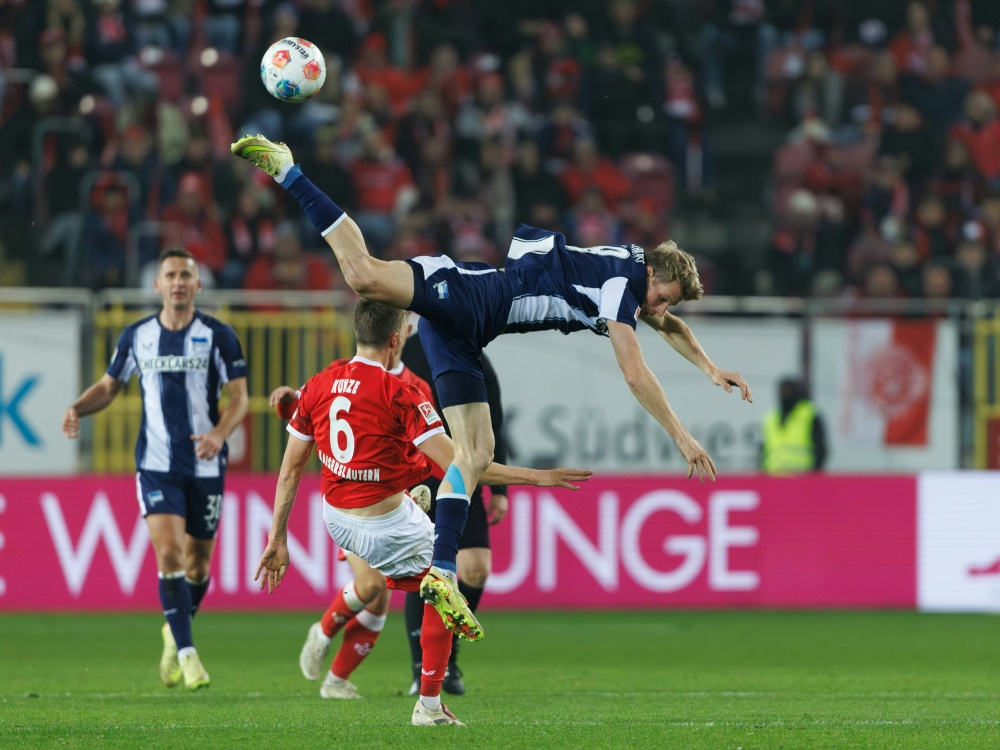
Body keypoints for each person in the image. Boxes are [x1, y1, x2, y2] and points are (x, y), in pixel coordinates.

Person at [232, 134, 752, 644]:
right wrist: (681, 435)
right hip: (469, 295)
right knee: (364, 276)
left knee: (474, 454)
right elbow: (635, 372)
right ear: (654, 272)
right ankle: (287, 171)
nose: (660, 309)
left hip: (466, 332)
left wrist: (709, 368)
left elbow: (667, 325)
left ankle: (440, 569)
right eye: (665, 296)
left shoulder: (632, 273)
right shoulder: (622, 288)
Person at [254, 299, 590, 726]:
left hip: (336, 516)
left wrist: (276, 538)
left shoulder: (321, 382)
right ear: (397, 339)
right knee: (444, 584)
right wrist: (536, 477)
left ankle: (339, 664)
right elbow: (462, 465)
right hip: (384, 525)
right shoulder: (403, 393)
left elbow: (290, 471)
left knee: (382, 587)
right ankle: (429, 705)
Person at [270, 320, 509, 697]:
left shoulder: (416, 387)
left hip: (388, 505)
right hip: (347, 501)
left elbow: (417, 456)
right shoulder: (337, 373)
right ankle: (325, 633)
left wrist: (415, 491)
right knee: (372, 587)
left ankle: (336, 680)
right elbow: (305, 411)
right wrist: (288, 400)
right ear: (399, 331)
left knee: (381, 595)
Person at [62, 247, 249, 690]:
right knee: (169, 554)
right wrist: (77, 407)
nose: (179, 281)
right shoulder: (136, 336)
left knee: (198, 566)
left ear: (198, 285)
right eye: (171, 274)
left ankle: (173, 632)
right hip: (156, 463)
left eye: (187, 274)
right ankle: (188, 654)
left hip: (205, 463)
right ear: (158, 285)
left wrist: (220, 434)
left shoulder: (219, 335)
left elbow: (239, 398)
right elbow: (110, 386)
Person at [759, 377, 828, 474]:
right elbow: (763, 450)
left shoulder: (809, 414)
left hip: (802, 476)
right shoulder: (771, 418)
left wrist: (813, 476)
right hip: (774, 476)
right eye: (783, 391)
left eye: (788, 391)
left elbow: (820, 449)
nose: (785, 395)